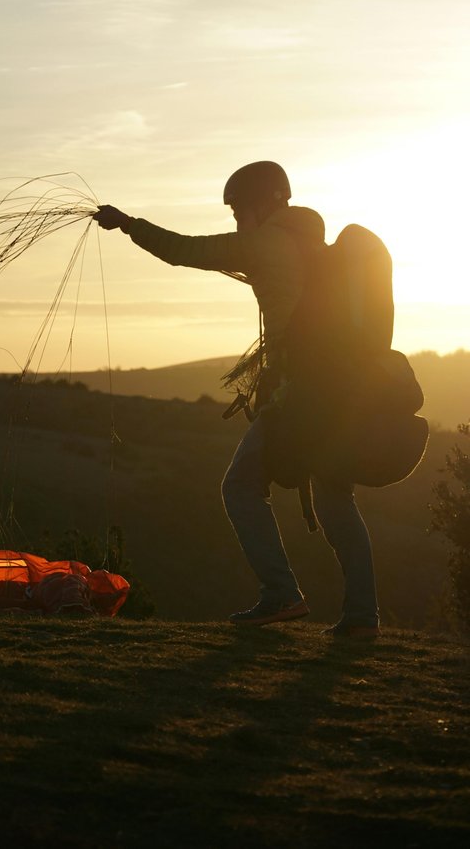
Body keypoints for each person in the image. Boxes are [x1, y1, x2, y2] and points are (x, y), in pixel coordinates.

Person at [94, 162, 380, 639]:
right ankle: (362, 617)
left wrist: (128, 224)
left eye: (236, 210)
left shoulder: (264, 243)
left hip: (303, 397)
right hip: (343, 394)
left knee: (240, 488)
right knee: (336, 501)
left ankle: (281, 594)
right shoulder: (313, 245)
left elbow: (185, 251)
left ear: (259, 204)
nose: (234, 221)